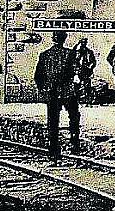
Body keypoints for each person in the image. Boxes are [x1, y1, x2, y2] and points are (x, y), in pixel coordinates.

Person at [34, 31, 79, 159]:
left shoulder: (45, 55)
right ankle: (75, 145)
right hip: (67, 92)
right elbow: (76, 72)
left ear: (53, 39)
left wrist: (44, 90)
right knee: (74, 117)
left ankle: (53, 150)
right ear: (64, 39)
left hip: (52, 92)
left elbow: (38, 76)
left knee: (52, 121)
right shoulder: (70, 54)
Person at [71, 37, 96, 106]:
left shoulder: (89, 52)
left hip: (86, 71)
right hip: (77, 71)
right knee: (76, 86)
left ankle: (86, 101)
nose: (83, 44)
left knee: (87, 86)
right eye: (82, 42)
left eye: (85, 42)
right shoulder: (75, 52)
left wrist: (90, 67)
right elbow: (72, 61)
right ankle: (77, 101)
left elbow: (93, 62)